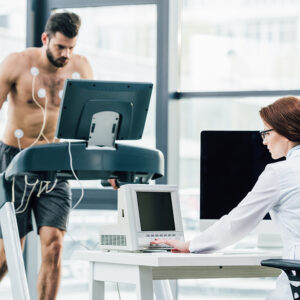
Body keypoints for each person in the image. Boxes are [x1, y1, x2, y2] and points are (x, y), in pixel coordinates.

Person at [0, 11, 117, 300]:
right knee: (7, 251)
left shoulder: (81, 67)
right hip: (14, 159)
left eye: (71, 47)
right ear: (45, 39)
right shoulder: (17, 63)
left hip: (55, 164)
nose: (66, 54)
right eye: (60, 47)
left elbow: (96, 123)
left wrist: (110, 168)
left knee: (54, 245)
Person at [152, 95, 300, 300]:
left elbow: (237, 223)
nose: (264, 141)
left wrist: (190, 244)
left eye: (266, 132)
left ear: (286, 131)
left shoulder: (280, 173)